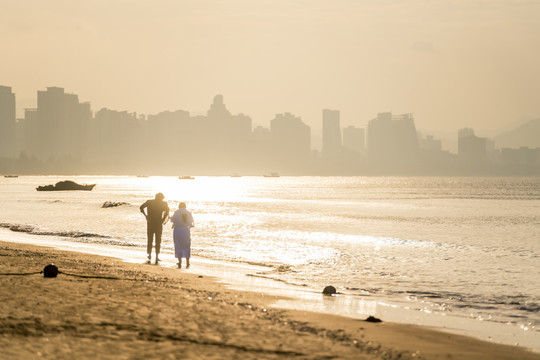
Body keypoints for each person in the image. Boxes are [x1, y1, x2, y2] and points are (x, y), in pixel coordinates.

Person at [140, 193, 169, 264]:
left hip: (150, 222)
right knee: (158, 239)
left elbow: (141, 207)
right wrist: (163, 219)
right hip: (158, 223)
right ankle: (156, 256)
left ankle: (149, 254)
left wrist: (146, 216)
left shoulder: (149, 202)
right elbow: (167, 212)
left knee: (150, 238)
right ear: (161, 198)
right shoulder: (164, 203)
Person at [170, 202, 194, 268]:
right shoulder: (189, 213)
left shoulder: (176, 212)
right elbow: (191, 222)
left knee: (178, 245)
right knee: (187, 245)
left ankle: (180, 262)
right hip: (186, 230)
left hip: (178, 229)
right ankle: (187, 262)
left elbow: (172, 220)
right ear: (185, 206)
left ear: (179, 206)